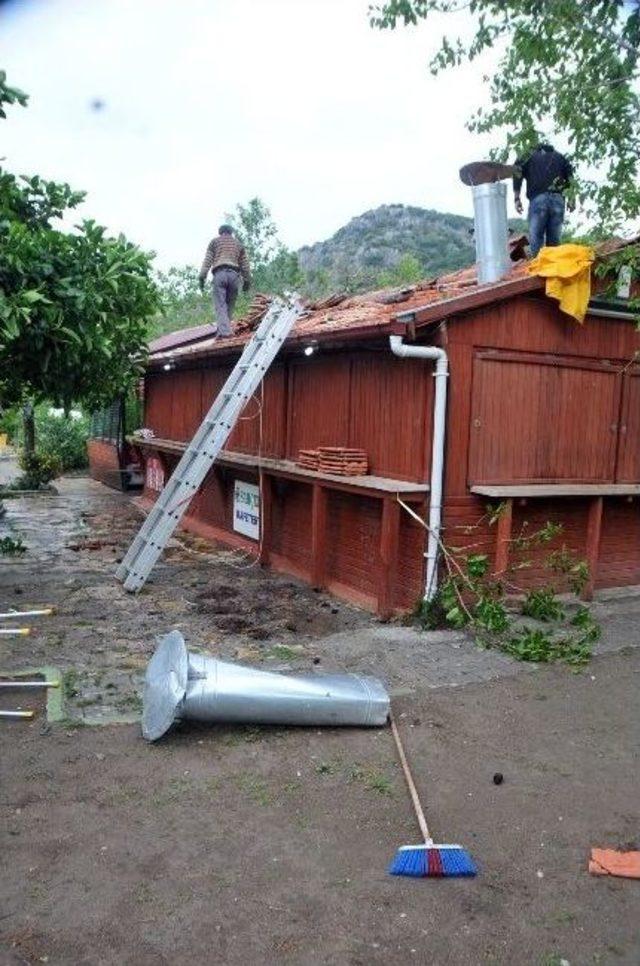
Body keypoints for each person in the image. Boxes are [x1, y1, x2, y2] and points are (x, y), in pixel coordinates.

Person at [513, 143, 573, 257]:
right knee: (554, 242)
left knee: (536, 239)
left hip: (538, 200)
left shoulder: (527, 156)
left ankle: (538, 268)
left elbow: (517, 172)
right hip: (558, 201)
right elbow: (570, 177)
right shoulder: (560, 157)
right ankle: (552, 270)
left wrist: (517, 198)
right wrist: (572, 198)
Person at [198, 225, 252, 338]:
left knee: (220, 305)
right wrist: (247, 282)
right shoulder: (238, 244)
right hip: (234, 276)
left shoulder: (214, 242)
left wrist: (202, 278)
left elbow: (207, 261)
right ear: (231, 232)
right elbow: (245, 266)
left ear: (220, 232)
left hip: (220, 274)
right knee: (229, 306)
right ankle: (223, 330)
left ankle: (225, 332)